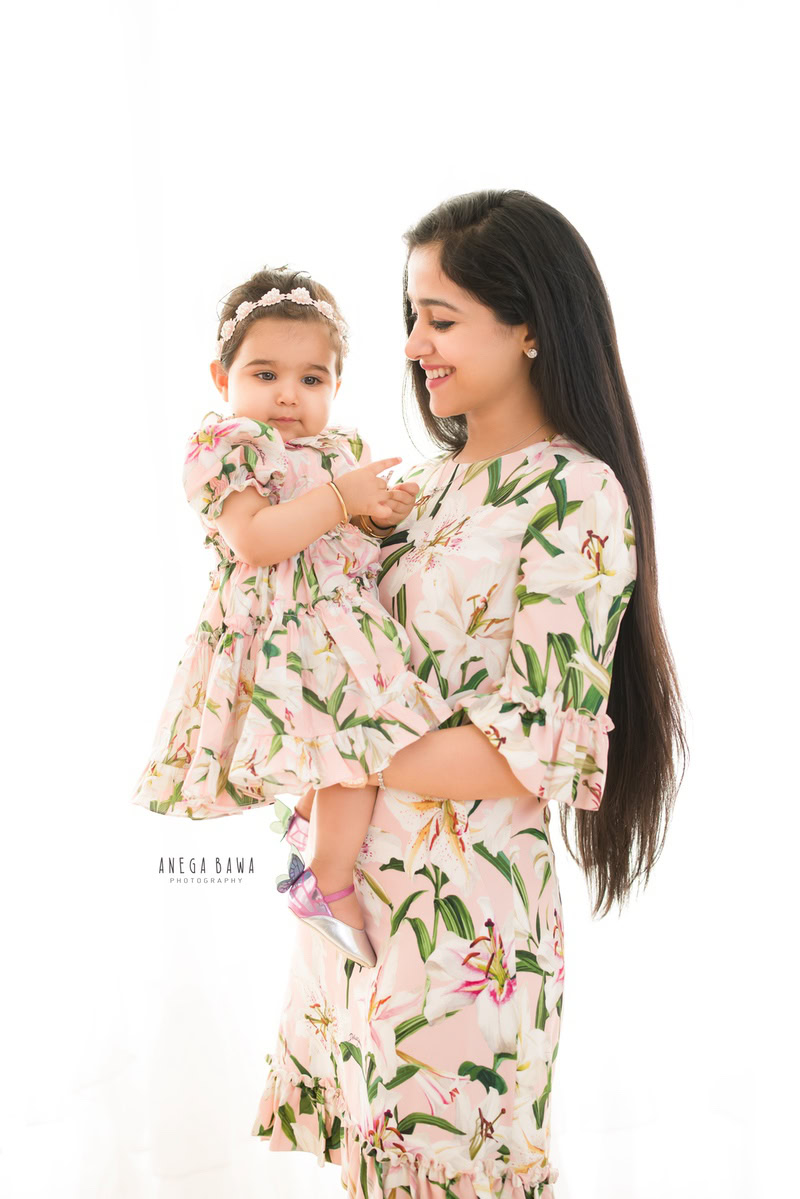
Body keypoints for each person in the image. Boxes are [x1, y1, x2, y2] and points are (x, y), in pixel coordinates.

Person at [251, 190, 687, 1197]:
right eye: (411, 316)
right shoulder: (426, 485)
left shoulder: (572, 493)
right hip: (363, 903)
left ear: (528, 321)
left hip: (465, 930)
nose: (413, 345)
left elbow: (521, 747)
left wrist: (338, 740)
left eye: (439, 318)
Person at [130, 266, 453, 969]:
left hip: (335, 628)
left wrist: (374, 516)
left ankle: (311, 838)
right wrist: (342, 499)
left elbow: (343, 543)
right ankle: (326, 881)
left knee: (357, 757)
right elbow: (257, 538)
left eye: (312, 379)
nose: (288, 395)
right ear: (223, 378)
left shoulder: (338, 452)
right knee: (354, 760)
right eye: (266, 373)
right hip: (282, 635)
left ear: (336, 385)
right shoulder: (228, 448)